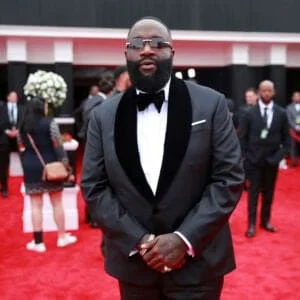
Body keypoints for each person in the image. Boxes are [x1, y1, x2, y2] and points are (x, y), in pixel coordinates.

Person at [81, 17, 244, 300]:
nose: (146, 50)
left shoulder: (211, 103)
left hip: (198, 267)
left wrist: (184, 239)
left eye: (157, 43)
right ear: (126, 54)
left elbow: (229, 178)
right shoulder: (103, 115)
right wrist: (141, 242)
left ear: (172, 53)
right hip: (135, 269)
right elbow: (94, 186)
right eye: (136, 44)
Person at [18, 97, 77, 253]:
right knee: (57, 203)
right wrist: (66, 165)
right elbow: (58, 146)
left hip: (30, 167)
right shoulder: (49, 123)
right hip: (50, 166)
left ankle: (38, 243)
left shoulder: (22, 126)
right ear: (41, 108)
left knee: (35, 205)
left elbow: (21, 147)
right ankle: (62, 237)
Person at [240, 80, 289, 238]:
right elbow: (242, 139)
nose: (266, 93)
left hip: (272, 162)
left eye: (269, 91)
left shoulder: (281, 113)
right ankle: (252, 224)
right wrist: (246, 159)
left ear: (274, 92)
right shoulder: (249, 113)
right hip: (253, 163)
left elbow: (287, 141)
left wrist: (277, 158)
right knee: (253, 195)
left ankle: (265, 221)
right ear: (259, 92)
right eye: (263, 90)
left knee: (269, 194)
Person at [0, 91, 23, 198]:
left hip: (19, 137)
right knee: (3, 164)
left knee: (25, 160)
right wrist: (6, 131)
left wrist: (18, 131)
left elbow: (24, 121)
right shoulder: (2, 108)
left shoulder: (22, 108)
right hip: (3, 138)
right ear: (8, 97)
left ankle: (29, 184)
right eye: (12, 96)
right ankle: (4, 187)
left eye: (16, 96)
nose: (14, 98)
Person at [286, 91, 300, 167]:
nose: (297, 98)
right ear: (292, 98)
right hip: (293, 130)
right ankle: (294, 162)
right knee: (293, 146)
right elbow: (288, 119)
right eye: (295, 96)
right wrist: (295, 127)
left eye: (298, 96)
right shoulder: (289, 107)